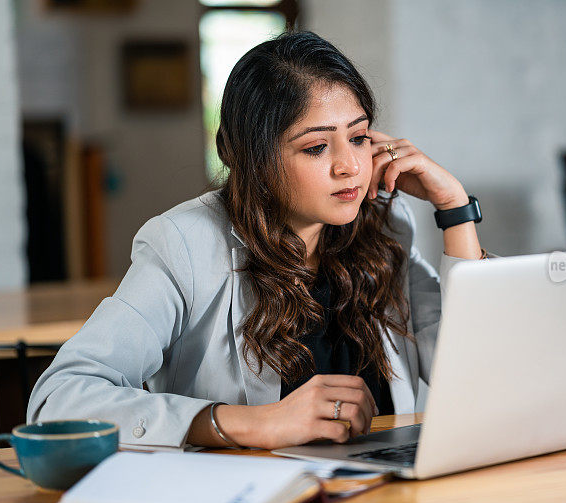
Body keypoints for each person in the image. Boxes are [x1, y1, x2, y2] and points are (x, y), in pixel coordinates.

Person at [27, 30, 490, 450]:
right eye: (316, 147)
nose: (350, 165)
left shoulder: (384, 226)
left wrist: (454, 209)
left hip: (381, 501)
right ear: (252, 156)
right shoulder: (185, 243)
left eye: (359, 136)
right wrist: (249, 423)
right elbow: (59, 399)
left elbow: (477, 372)